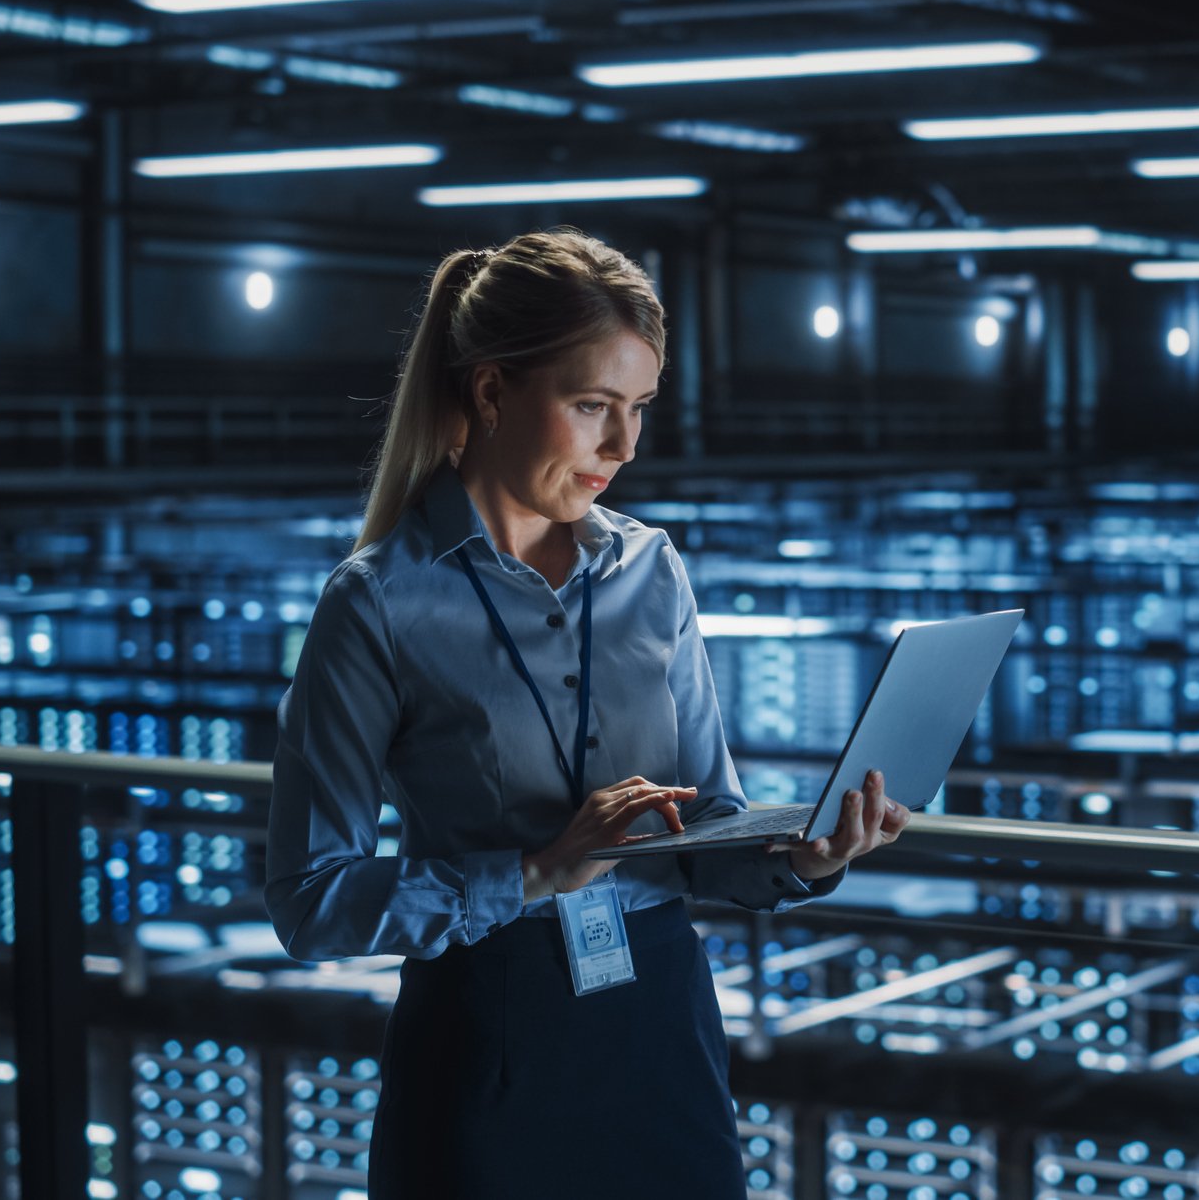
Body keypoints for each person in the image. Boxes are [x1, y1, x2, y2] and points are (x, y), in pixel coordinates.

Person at [263, 228, 912, 1197]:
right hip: (488, 1038)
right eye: (591, 406)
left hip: (659, 1029)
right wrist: (530, 874)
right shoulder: (377, 603)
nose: (624, 446)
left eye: (638, 409)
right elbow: (309, 898)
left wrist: (806, 856)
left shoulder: (654, 571)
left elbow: (706, 823)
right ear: (490, 392)